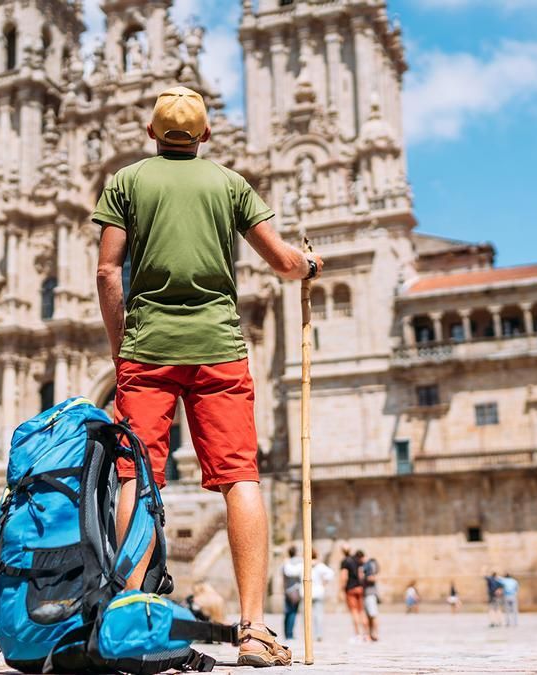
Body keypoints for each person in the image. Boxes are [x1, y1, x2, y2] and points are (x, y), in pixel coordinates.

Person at [93, 85, 321, 668]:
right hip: (220, 349)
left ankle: (129, 617)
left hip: (146, 351)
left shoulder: (125, 181)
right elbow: (283, 262)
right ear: (206, 134)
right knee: (241, 477)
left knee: (136, 477)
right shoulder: (230, 184)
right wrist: (308, 265)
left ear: (151, 132)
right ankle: (253, 630)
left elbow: (107, 272)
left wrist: (121, 347)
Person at [338, 548, 367, 641]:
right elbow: (361, 575)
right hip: (359, 588)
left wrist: (341, 590)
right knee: (361, 611)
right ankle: (366, 634)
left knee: (354, 612)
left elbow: (344, 576)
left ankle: (358, 634)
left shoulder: (345, 562)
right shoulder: (357, 561)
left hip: (351, 589)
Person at [308, 550, 335, 643]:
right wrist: (324, 582)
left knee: (307, 615)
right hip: (318, 591)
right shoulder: (320, 566)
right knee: (318, 615)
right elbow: (331, 573)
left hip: (308, 592)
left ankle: (308, 634)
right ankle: (318, 633)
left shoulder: (304, 564)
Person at [280, 546, 304, 640]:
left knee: (288, 612)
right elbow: (292, 573)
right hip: (294, 590)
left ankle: (287, 633)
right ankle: (289, 634)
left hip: (287, 590)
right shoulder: (299, 563)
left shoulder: (286, 562)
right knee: (292, 612)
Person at [363, 555, 381, 642]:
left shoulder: (369, 566)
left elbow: (372, 578)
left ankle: (375, 634)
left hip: (370, 594)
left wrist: (363, 577)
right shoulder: (368, 566)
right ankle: (370, 634)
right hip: (367, 594)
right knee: (369, 616)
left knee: (373, 615)